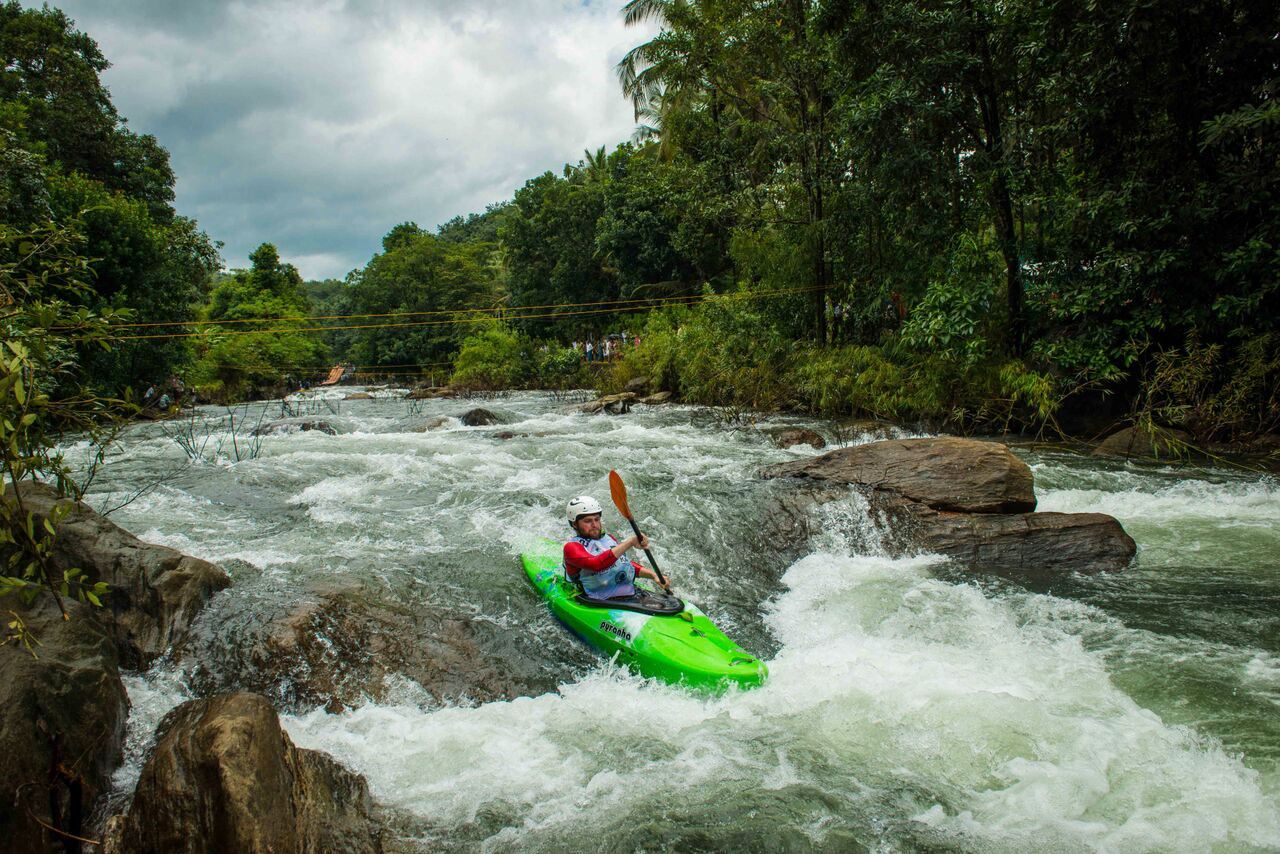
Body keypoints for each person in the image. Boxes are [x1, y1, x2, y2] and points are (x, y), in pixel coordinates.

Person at [563, 496, 668, 599]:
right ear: (575, 524)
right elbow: (596, 564)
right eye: (588, 521)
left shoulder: (609, 539)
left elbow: (622, 564)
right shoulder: (571, 548)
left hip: (627, 594)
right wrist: (630, 542)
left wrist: (654, 575)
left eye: (597, 519)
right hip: (593, 598)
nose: (594, 524)